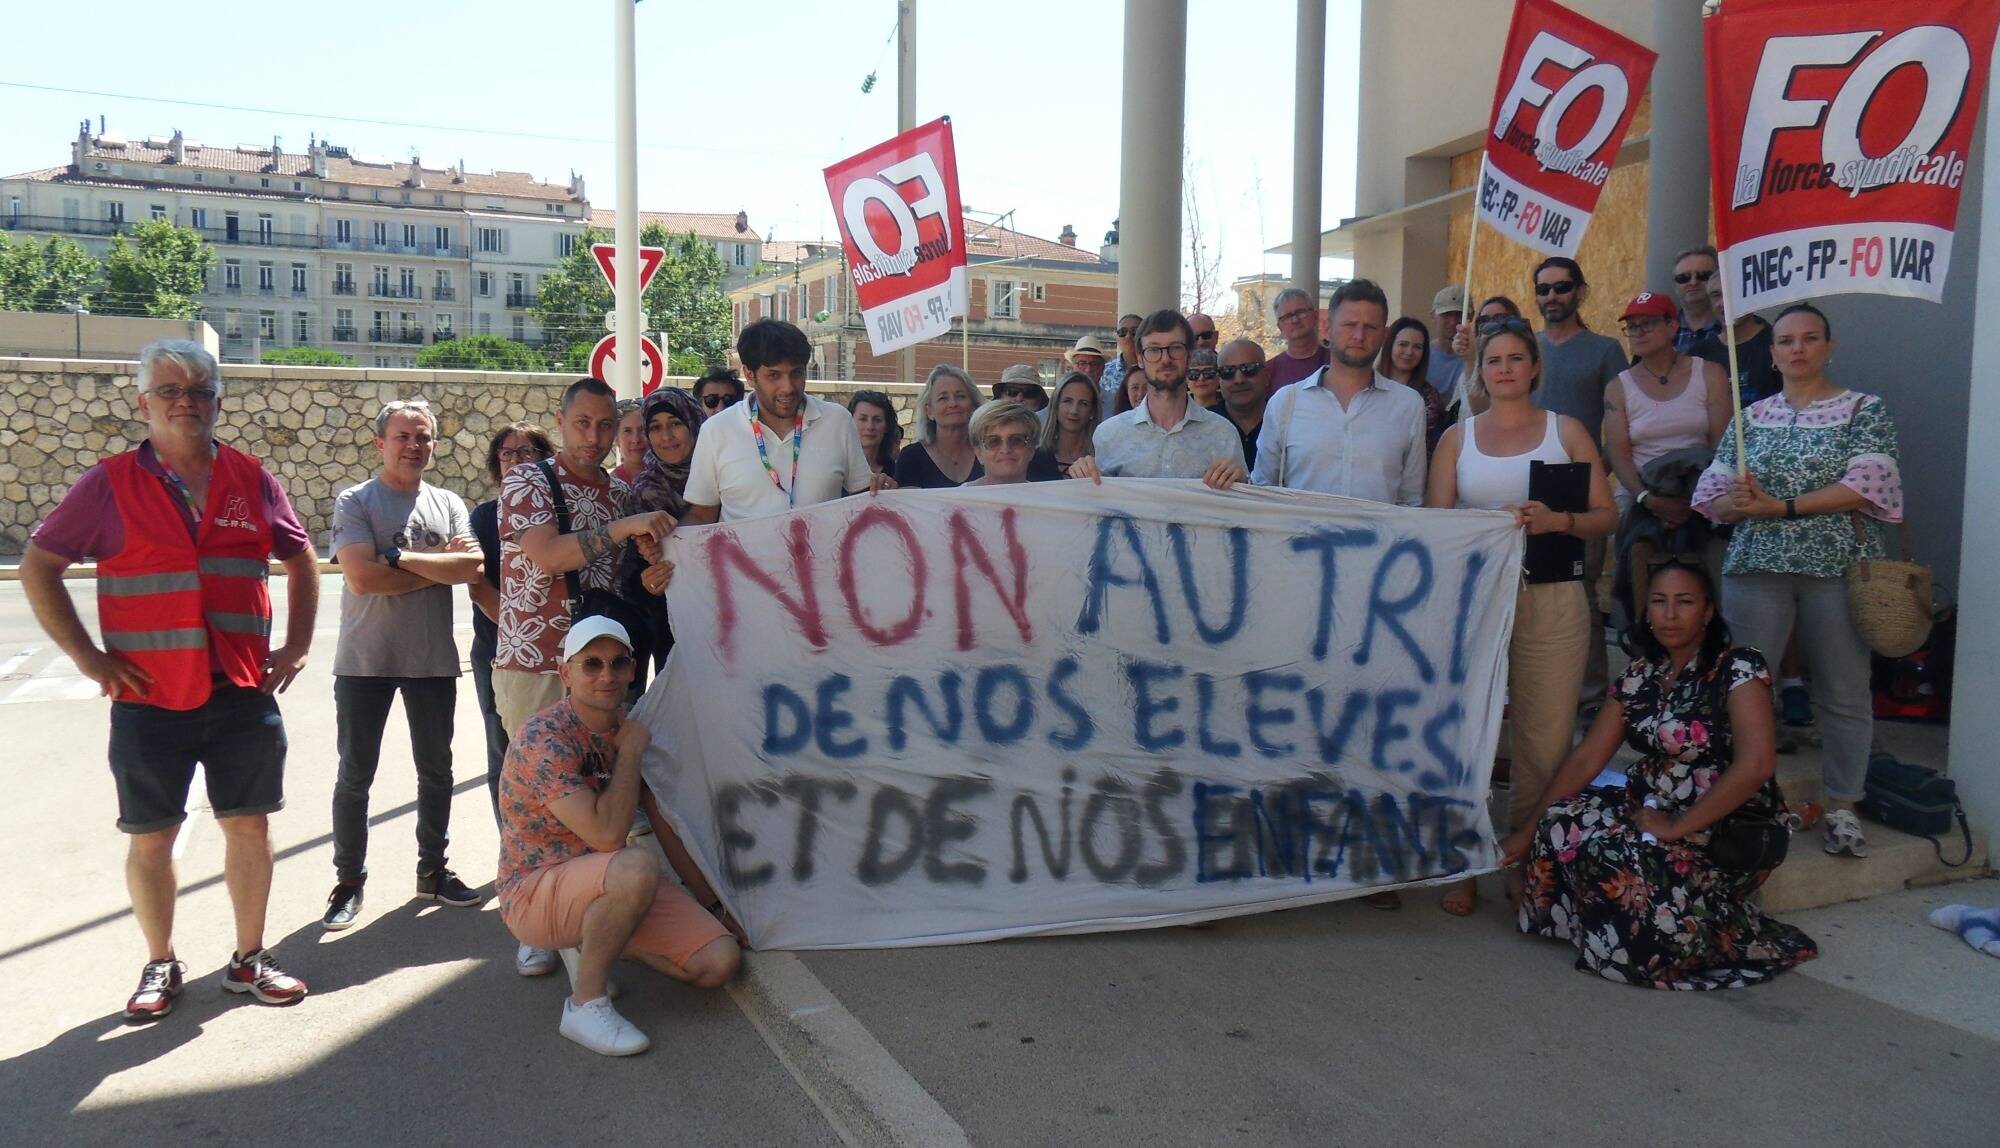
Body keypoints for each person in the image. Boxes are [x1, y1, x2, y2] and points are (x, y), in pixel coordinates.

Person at [20, 338, 318, 1019]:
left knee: (249, 829)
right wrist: (89, 659)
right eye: (170, 391)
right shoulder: (108, 484)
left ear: (217, 403)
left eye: (200, 391)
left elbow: (300, 559)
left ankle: (249, 959)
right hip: (149, 696)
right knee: (151, 835)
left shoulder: (251, 477)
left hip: (240, 690)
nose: (186, 402)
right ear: (143, 403)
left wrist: (297, 645)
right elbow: (40, 567)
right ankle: (160, 961)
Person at [1506, 560, 1817, 989]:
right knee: (1562, 821)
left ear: (1707, 611)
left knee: (1622, 856)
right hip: (1651, 807)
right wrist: (1526, 833)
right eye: (1659, 601)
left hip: (1724, 825)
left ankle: (1685, 928)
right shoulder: (1640, 675)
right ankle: (1607, 926)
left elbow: (1757, 764)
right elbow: (1587, 758)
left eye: (1684, 602)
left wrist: (1676, 825)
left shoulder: (1738, 667)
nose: (1670, 614)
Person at [1691, 303, 1903, 860]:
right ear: (1772, 353)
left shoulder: (1863, 409)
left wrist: (1779, 506)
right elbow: (1711, 496)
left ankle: (1843, 804)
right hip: (1757, 566)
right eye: (1787, 340)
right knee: (1745, 693)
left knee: (1844, 690)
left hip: (1837, 567)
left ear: (1829, 347)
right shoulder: (1751, 417)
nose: (1798, 349)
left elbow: (1866, 486)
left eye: (1810, 338)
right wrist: (1738, 503)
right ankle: (1749, 799)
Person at [1426, 318, 1618, 916]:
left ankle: (1522, 857)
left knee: (1543, 737)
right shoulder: (1457, 438)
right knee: (1466, 731)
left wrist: (1561, 521)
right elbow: (1435, 525)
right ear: (1479, 371)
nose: (1505, 368)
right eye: (1494, 359)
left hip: (1552, 594)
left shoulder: (1568, 431)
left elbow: (1607, 515)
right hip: (1474, 598)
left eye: (1516, 358)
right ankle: (1462, 858)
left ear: (1535, 367)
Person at [496, 617, 740, 1056]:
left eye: (618, 663)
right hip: (533, 892)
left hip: (606, 882)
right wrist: (629, 753)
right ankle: (585, 1004)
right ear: (565, 672)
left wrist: (714, 904)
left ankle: (592, 938)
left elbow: (664, 821)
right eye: (591, 664)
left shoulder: (627, 725)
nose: (606, 675)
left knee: (718, 961)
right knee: (636, 864)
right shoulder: (544, 738)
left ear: (632, 670)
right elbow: (608, 836)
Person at [322, 399, 487, 932]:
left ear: (433, 445)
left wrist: (398, 558)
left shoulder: (448, 502)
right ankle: (349, 881)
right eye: (402, 436)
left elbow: (473, 567)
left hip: (431, 660)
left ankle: (432, 871)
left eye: (422, 437)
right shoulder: (356, 501)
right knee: (355, 775)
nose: (413, 446)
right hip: (364, 661)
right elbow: (362, 578)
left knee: (436, 772)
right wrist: (437, 567)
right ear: (380, 444)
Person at [493, 377, 673, 739]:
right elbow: (549, 557)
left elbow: (624, 582)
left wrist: (652, 575)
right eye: (583, 423)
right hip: (538, 664)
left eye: (605, 425)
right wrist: (623, 527)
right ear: (560, 421)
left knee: (604, 772)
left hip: (603, 668)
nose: (594, 437)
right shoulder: (526, 480)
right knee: (540, 773)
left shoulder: (620, 494)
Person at [682, 319, 883, 523]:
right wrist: (667, 537)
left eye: (796, 373)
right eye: (774, 375)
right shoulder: (716, 431)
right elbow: (701, 516)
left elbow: (864, 498)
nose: (788, 387)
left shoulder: (837, 420)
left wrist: (885, 491)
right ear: (750, 375)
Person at [1602, 292, 1729, 613]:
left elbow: (1722, 445)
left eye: (1647, 324)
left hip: (1700, 489)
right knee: (1630, 550)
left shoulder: (1709, 374)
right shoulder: (1618, 387)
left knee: (1717, 557)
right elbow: (1619, 454)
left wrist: (1696, 500)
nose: (1638, 332)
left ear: (1673, 326)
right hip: (1641, 491)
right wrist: (1649, 500)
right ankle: (1636, 624)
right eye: (1632, 327)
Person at [1253, 279, 1427, 507]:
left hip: (1380, 531)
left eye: (1370, 327)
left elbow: (1411, 501)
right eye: (1350, 325)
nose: (1359, 335)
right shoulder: (1285, 403)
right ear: (1327, 328)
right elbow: (1262, 491)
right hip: (1303, 531)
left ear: (1384, 335)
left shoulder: (1408, 405)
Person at [468, 421, 553, 822]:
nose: (516, 461)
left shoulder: (556, 513)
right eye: (507, 454)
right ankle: (512, 844)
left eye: (526, 452)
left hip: (551, 655)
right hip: (497, 650)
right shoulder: (485, 517)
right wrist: (519, 636)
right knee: (503, 754)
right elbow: (478, 585)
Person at [1073, 309, 1248, 488]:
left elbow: (1244, 502)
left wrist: (1241, 483)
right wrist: (1082, 476)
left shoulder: (1223, 434)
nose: (1165, 359)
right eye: (1154, 350)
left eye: (1175, 348)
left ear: (1189, 356)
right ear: (1140, 359)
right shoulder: (1109, 435)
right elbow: (1097, 500)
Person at [622, 387, 705, 688]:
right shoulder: (645, 492)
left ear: (694, 423)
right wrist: (649, 583)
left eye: (675, 423)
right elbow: (635, 578)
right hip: (676, 633)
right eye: (655, 428)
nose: (666, 436)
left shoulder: (724, 473)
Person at [1691, 271, 1782, 408]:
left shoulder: (1779, 345)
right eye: (1716, 295)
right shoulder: (1697, 355)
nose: (1724, 302)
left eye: (1733, 295)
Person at [895, 364, 985, 489]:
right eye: (943, 398)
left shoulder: (989, 452)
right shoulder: (911, 457)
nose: (953, 403)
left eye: (960, 396)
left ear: (973, 406)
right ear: (929, 411)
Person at [1376, 315, 1454, 455]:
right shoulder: (1369, 385)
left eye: (1417, 347)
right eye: (1403, 344)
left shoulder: (1428, 396)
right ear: (1390, 345)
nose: (1409, 352)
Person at [965, 401, 1063, 486]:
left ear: (1031, 450)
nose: (1005, 450)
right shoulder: (957, 497)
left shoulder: (1048, 499)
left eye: (1016, 440)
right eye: (993, 441)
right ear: (978, 452)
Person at [1212, 339, 1269, 470]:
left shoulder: (1285, 420)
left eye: (1249, 369)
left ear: (1267, 375)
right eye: (1228, 372)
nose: (1239, 380)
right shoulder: (1203, 424)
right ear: (1219, 380)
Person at [1266, 286, 1331, 393]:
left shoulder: (1336, 362)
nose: (1295, 320)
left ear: (1315, 316)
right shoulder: (1269, 371)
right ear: (1280, 327)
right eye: (1287, 316)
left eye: (1300, 312)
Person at [1038, 371, 1100, 475]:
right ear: (1055, 405)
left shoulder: (1102, 459)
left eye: (1083, 403)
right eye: (1067, 401)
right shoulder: (1032, 458)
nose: (1074, 411)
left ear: (1092, 410)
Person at [1671, 245, 1724, 353]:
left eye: (1703, 276)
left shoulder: (1735, 328)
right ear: (1675, 285)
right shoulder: (1661, 331)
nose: (1693, 282)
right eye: (1684, 278)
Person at [847, 389, 904, 480]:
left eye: (877, 420)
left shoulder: (897, 473)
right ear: (850, 422)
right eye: (863, 419)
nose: (870, 427)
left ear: (886, 426)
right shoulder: (837, 468)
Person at [1099, 313, 1143, 411]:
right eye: (1122, 332)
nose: (1128, 336)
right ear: (1117, 338)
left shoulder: (1153, 368)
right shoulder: (1105, 371)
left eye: (1134, 331)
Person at [1427, 284, 1466, 394]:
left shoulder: (1476, 358)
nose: (1453, 321)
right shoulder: (1421, 355)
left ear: (1470, 316)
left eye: (1459, 315)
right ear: (1433, 316)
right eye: (1446, 314)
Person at [611, 398, 646, 487]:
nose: (636, 440)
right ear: (616, 439)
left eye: (642, 430)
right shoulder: (610, 486)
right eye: (627, 431)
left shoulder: (671, 477)